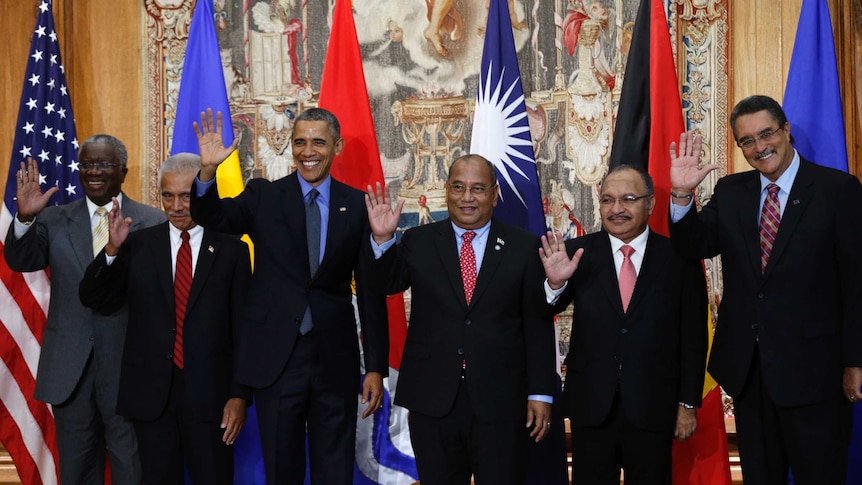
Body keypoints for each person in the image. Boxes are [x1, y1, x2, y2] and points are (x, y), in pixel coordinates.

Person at [668, 94, 862, 484]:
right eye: (747, 141)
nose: (759, 147)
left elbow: (856, 281)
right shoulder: (731, 190)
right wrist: (681, 196)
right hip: (750, 372)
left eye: (766, 134)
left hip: (817, 374)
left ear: (786, 131)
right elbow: (694, 246)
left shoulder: (837, 189)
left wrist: (854, 361)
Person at [189, 108, 388, 484]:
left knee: (334, 471)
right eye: (299, 142)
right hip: (277, 361)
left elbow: (371, 291)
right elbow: (213, 216)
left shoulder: (357, 206)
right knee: (282, 469)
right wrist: (207, 173)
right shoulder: (264, 196)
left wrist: (375, 366)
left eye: (318, 142)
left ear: (337, 146)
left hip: (335, 361)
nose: (306, 151)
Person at [365, 154, 556, 485]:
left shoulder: (524, 248)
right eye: (459, 187)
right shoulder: (418, 241)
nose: (467, 197)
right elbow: (387, 284)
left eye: (478, 189)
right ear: (446, 191)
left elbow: (536, 324)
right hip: (433, 399)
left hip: (501, 400)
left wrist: (540, 393)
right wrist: (383, 241)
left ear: (495, 194)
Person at [78, 153, 251, 484]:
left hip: (211, 398)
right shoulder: (137, 244)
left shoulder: (232, 250)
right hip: (151, 397)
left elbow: (243, 328)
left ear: (201, 193)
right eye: (167, 196)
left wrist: (239, 395)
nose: (175, 206)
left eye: (185, 196)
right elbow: (94, 298)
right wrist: (111, 252)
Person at [4, 135, 165, 483]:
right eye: (87, 164)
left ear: (122, 171)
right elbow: (21, 261)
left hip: (128, 367)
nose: (93, 172)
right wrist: (25, 219)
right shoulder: (54, 219)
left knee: (130, 466)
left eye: (103, 164)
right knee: (75, 471)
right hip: (69, 370)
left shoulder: (151, 222)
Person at [539, 164, 707, 483]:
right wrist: (555, 284)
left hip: (654, 406)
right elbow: (544, 308)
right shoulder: (577, 253)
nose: (616, 209)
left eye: (628, 199)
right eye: (607, 200)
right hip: (592, 406)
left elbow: (693, 336)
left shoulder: (679, 258)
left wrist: (687, 403)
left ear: (650, 204)